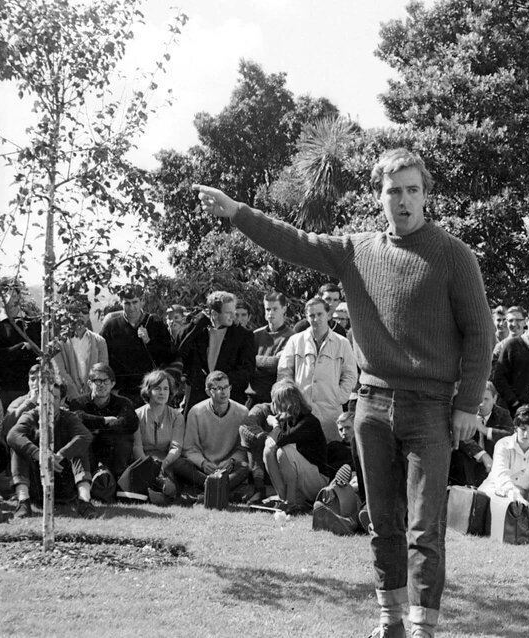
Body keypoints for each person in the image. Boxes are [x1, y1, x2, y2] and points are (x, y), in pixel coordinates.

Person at [196, 147, 493, 638]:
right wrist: (237, 212)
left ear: (426, 196)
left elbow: (480, 335)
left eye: (412, 190)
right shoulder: (357, 250)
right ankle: (390, 620)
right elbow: (295, 242)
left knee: (424, 529)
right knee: (381, 521)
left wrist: (466, 405)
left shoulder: (453, 255)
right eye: (393, 190)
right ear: (379, 196)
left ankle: (423, 628)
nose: (403, 200)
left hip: (431, 409)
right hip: (372, 407)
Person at [6, 382, 97, 519]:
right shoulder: (31, 416)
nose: (48, 400)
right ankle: (23, 501)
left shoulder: (69, 417)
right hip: (36, 483)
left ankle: (84, 501)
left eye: (53, 397)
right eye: (45, 396)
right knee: (18, 448)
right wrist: (40, 455)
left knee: (80, 447)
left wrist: (61, 455)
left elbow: (85, 436)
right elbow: (13, 435)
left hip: (63, 478)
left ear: (61, 400)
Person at [277, 296, 358, 440]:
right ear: (306, 317)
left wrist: (338, 397)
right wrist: (292, 400)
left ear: (328, 314)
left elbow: (350, 374)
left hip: (331, 411)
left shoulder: (342, 343)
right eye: (311, 315)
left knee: (331, 452)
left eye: (319, 314)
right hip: (301, 411)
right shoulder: (295, 341)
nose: (316, 319)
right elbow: (284, 372)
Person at [248, 380, 331, 514]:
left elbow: (281, 440)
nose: (273, 406)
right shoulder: (287, 421)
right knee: (268, 450)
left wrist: (274, 425)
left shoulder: (308, 421)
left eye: (276, 402)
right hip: (301, 475)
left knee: (283, 451)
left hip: (317, 480)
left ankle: (291, 502)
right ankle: (283, 498)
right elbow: (271, 443)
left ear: (288, 404)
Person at [169, 371, 250, 494]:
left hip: (228, 467)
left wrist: (232, 461)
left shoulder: (243, 412)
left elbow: (242, 448)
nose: (223, 392)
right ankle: (219, 489)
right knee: (179, 464)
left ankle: (209, 490)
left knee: (245, 467)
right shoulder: (196, 412)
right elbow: (189, 448)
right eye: (217, 388)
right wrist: (202, 463)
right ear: (208, 391)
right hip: (203, 468)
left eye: (226, 387)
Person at [178, 290, 257, 409]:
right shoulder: (198, 331)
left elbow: (247, 370)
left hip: (229, 401)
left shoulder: (243, 335)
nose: (233, 316)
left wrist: (219, 383)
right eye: (228, 313)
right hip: (197, 399)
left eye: (233, 312)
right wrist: (197, 324)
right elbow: (180, 353)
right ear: (214, 314)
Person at [99, 284, 175, 406]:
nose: (131, 307)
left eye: (135, 302)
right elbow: (102, 358)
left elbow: (168, 356)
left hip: (149, 389)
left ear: (142, 302)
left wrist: (148, 341)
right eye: (127, 303)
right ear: (121, 303)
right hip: (120, 391)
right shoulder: (111, 325)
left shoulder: (155, 323)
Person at [66, 363, 138, 478]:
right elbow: (77, 418)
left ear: (112, 384)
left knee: (124, 439)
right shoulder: (78, 402)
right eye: (97, 381)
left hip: (112, 450)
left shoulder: (123, 403)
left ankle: (117, 482)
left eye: (106, 381)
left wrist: (97, 429)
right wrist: (104, 420)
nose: (102, 385)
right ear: (90, 383)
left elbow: (131, 423)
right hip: (90, 450)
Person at [478, 405, 529, 506]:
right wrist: (516, 497)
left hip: (524, 498)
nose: (526, 434)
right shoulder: (502, 444)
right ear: (516, 427)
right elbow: (501, 476)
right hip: (496, 489)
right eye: (523, 429)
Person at [128, 370, 185, 499]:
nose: (162, 393)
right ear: (148, 391)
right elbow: (137, 447)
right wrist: (149, 467)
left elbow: (176, 448)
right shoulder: (137, 415)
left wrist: (163, 464)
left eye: (166, 389)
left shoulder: (177, 416)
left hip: (167, 461)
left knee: (183, 467)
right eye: (157, 388)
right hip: (143, 460)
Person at [52, 302, 109, 401]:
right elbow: (60, 372)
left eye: (85, 311)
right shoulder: (57, 343)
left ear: (88, 315)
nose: (81, 314)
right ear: (68, 314)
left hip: (93, 399)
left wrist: (89, 395)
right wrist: (76, 397)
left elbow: (102, 371)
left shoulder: (99, 341)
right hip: (67, 399)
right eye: (76, 311)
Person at [247, 292, 294, 407]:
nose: (270, 313)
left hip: (276, 399)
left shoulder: (292, 337)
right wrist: (267, 361)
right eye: (268, 309)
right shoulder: (256, 335)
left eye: (275, 309)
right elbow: (246, 363)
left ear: (283, 309)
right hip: (252, 396)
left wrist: (255, 360)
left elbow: (277, 365)